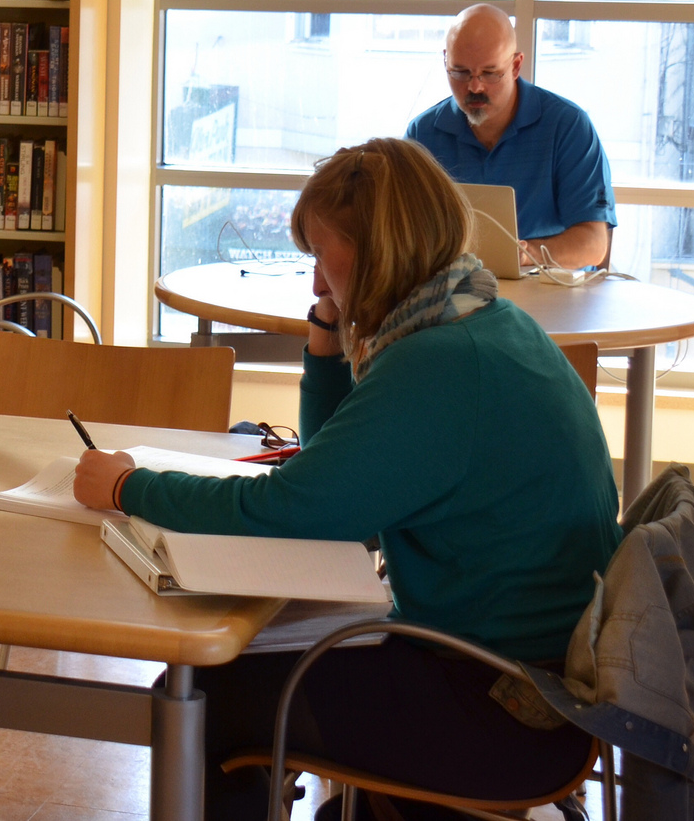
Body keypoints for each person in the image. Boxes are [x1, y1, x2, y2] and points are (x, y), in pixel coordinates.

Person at [74, 138, 620, 821]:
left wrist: (129, 487)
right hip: (526, 678)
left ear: (376, 251)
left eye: (320, 256)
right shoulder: (474, 317)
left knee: (209, 698)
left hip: (500, 707)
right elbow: (338, 473)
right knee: (247, 675)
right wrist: (325, 338)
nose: (314, 281)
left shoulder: (438, 365)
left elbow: (295, 506)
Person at [405, 4, 615, 270]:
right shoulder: (423, 135)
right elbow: (402, 236)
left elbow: (593, 245)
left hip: (548, 296)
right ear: (445, 61)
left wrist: (527, 254)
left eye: (490, 73)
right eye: (460, 72)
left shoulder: (567, 126)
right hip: (455, 297)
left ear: (516, 66)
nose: (475, 86)